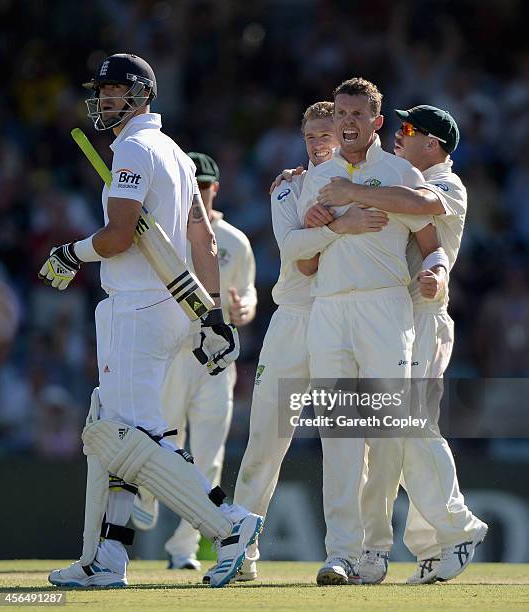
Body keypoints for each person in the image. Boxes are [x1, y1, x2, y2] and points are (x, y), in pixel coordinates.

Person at [39, 53, 262, 589]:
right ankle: (107, 558)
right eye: (103, 91)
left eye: (115, 91)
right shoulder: (177, 154)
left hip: (136, 307)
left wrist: (70, 253)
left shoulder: (135, 149)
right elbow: (203, 239)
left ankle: (229, 524)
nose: (104, 99)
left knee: (127, 435)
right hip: (170, 307)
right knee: (118, 431)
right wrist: (212, 312)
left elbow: (117, 237)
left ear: (141, 95)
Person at [313, 105, 487, 584]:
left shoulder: (444, 182)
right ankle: (428, 545)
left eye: (409, 129)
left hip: (424, 317)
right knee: (392, 437)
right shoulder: (399, 174)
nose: (398, 134)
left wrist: (352, 190)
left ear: (433, 145)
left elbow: (421, 205)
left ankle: (459, 527)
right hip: (392, 317)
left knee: (408, 428)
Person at [219, 101, 388, 584]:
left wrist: (325, 228)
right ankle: (240, 554)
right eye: (310, 135)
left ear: (345, 131)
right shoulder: (289, 186)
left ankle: (343, 555)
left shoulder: (364, 180)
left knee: (344, 445)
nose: (318, 143)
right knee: (265, 442)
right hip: (293, 319)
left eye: (326, 134)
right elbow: (292, 250)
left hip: (344, 319)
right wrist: (340, 225)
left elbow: (331, 245)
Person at [295, 79, 445, 586]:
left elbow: (432, 240)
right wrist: (324, 225)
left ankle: (375, 550)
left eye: (358, 113)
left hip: (386, 308)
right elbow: (308, 263)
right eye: (340, 113)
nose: (347, 122)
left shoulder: (399, 172)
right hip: (330, 310)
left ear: (377, 122)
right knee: (338, 435)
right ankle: (340, 552)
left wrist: (438, 271)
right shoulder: (321, 176)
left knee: (384, 434)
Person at [131, 152, 258, 571]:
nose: (198, 196)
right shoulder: (166, 233)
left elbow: (248, 293)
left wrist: (245, 310)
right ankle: (146, 497)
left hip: (216, 361)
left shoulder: (234, 240)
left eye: (204, 188)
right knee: (164, 442)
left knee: (208, 456)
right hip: (173, 354)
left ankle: (184, 548)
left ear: (215, 189)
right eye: (193, 188)